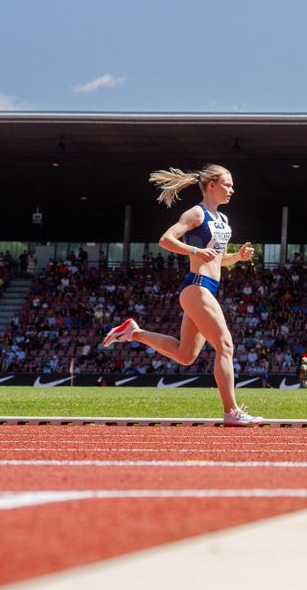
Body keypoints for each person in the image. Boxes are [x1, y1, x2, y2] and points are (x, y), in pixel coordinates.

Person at [101, 165, 264, 426]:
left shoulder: (223, 220)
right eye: (228, 184)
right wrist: (194, 251)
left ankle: (133, 332)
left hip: (207, 288)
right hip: (196, 287)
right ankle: (231, 411)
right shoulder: (196, 213)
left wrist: (238, 257)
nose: (232, 189)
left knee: (185, 354)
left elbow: (218, 260)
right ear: (212, 185)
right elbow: (165, 240)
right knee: (225, 345)